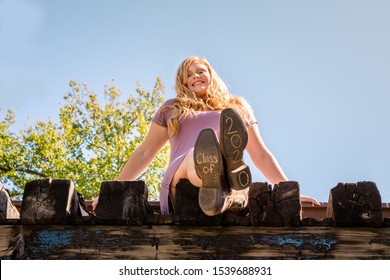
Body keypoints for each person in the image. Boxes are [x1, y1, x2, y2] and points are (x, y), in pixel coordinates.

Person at [92, 56, 319, 215]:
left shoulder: (236, 107)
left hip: (223, 188)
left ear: (211, 74)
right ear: (183, 82)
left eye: (201, 71)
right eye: (189, 74)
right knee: (197, 154)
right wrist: (111, 191)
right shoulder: (172, 108)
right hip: (181, 180)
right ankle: (223, 169)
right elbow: (144, 153)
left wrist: (290, 192)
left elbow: (260, 155)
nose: (195, 76)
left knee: (225, 172)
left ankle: (226, 184)